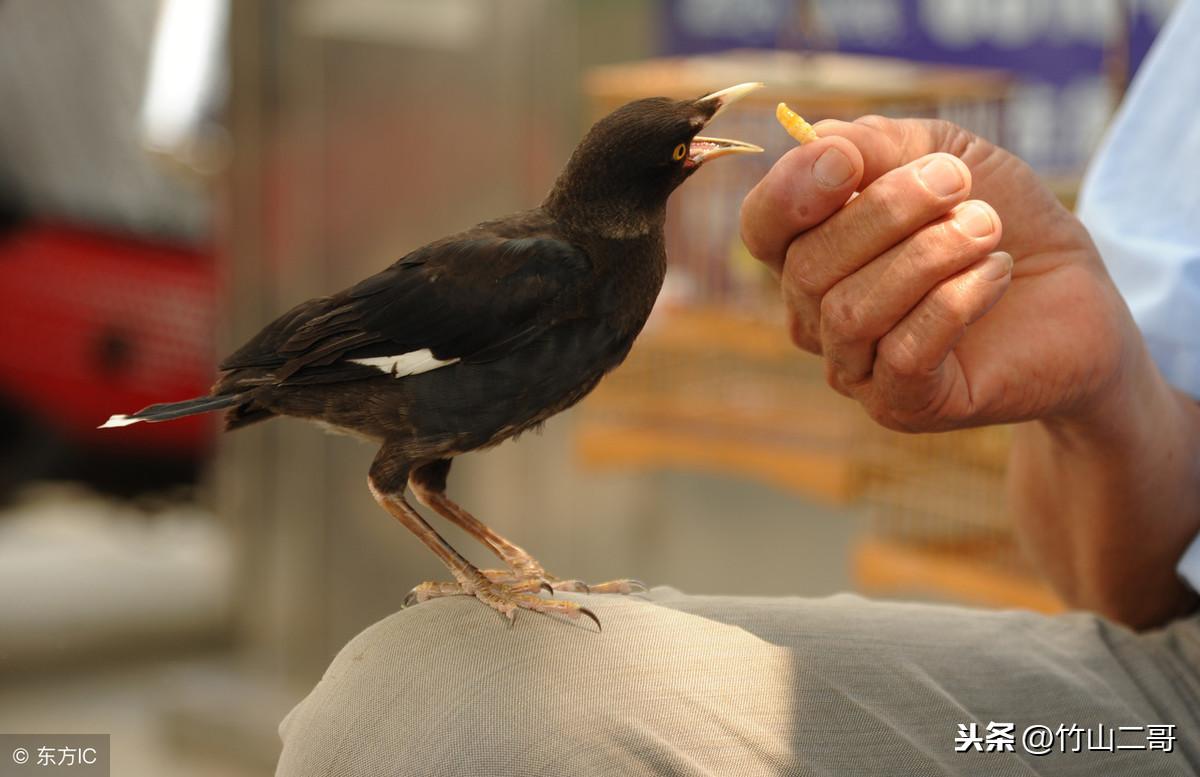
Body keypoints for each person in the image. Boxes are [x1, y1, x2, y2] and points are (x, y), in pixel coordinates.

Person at [274, 2, 1200, 774]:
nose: (705, 134)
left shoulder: (591, 260)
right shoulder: (540, 266)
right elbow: (1120, 585)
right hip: (1168, 703)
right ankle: (502, 583)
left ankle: (510, 576)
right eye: (685, 140)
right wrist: (1107, 380)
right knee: (432, 703)